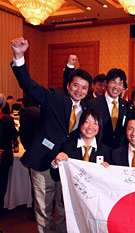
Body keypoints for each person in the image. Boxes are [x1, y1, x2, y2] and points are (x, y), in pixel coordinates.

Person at [10, 37, 92, 233]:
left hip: (66, 164)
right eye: (76, 85)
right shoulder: (54, 97)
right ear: (68, 85)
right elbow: (29, 85)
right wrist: (19, 56)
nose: (79, 90)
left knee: (65, 208)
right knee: (44, 209)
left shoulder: (87, 109)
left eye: (84, 87)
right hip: (42, 161)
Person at [51, 109, 111, 178]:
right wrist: (55, 163)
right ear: (80, 124)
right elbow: (55, 177)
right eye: (87, 122)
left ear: (99, 127)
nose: (90, 127)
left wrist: (107, 171)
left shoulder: (105, 151)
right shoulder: (67, 147)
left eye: (95, 123)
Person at [87, 68, 130, 149]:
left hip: (120, 151)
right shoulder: (93, 104)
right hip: (99, 149)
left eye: (120, 83)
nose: (116, 87)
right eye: (113, 82)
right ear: (106, 83)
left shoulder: (126, 105)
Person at [0, 93, 18, 213]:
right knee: (1, 185)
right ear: (3, 104)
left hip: (4, 155)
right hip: (4, 155)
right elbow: (14, 135)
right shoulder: (7, 119)